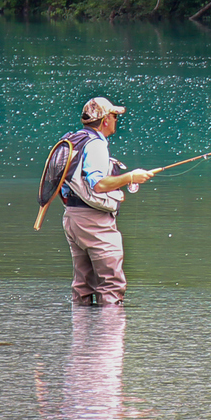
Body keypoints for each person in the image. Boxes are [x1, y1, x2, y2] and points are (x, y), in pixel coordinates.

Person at [64, 97, 156, 307]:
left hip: (72, 217)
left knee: (83, 285)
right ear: (105, 120)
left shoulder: (75, 140)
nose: (116, 120)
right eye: (114, 116)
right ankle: (109, 337)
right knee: (111, 285)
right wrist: (131, 177)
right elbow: (98, 184)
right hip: (94, 222)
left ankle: (82, 337)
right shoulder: (95, 145)